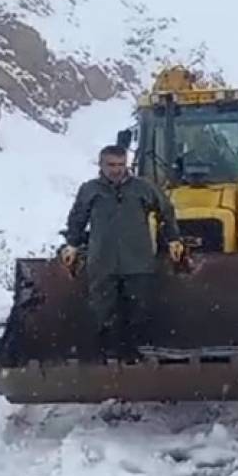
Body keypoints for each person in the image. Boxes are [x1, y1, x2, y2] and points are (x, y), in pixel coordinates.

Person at [60, 144, 185, 359]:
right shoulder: (90, 190)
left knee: (138, 309)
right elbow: (78, 218)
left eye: (120, 164)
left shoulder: (143, 188)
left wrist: (173, 238)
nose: (116, 169)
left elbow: (166, 210)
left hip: (137, 261)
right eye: (111, 165)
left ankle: (133, 354)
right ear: (101, 165)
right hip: (102, 262)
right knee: (102, 309)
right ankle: (104, 356)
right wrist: (72, 244)